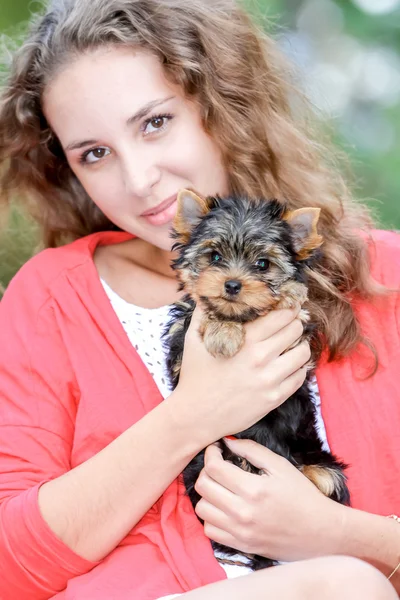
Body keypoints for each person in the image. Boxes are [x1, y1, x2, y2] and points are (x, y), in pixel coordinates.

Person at [0, 0, 399, 598]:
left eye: (154, 122)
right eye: (94, 153)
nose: (139, 180)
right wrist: (192, 413)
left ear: (222, 104)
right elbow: (12, 563)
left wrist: (337, 531)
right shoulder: (51, 299)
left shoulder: (383, 276)